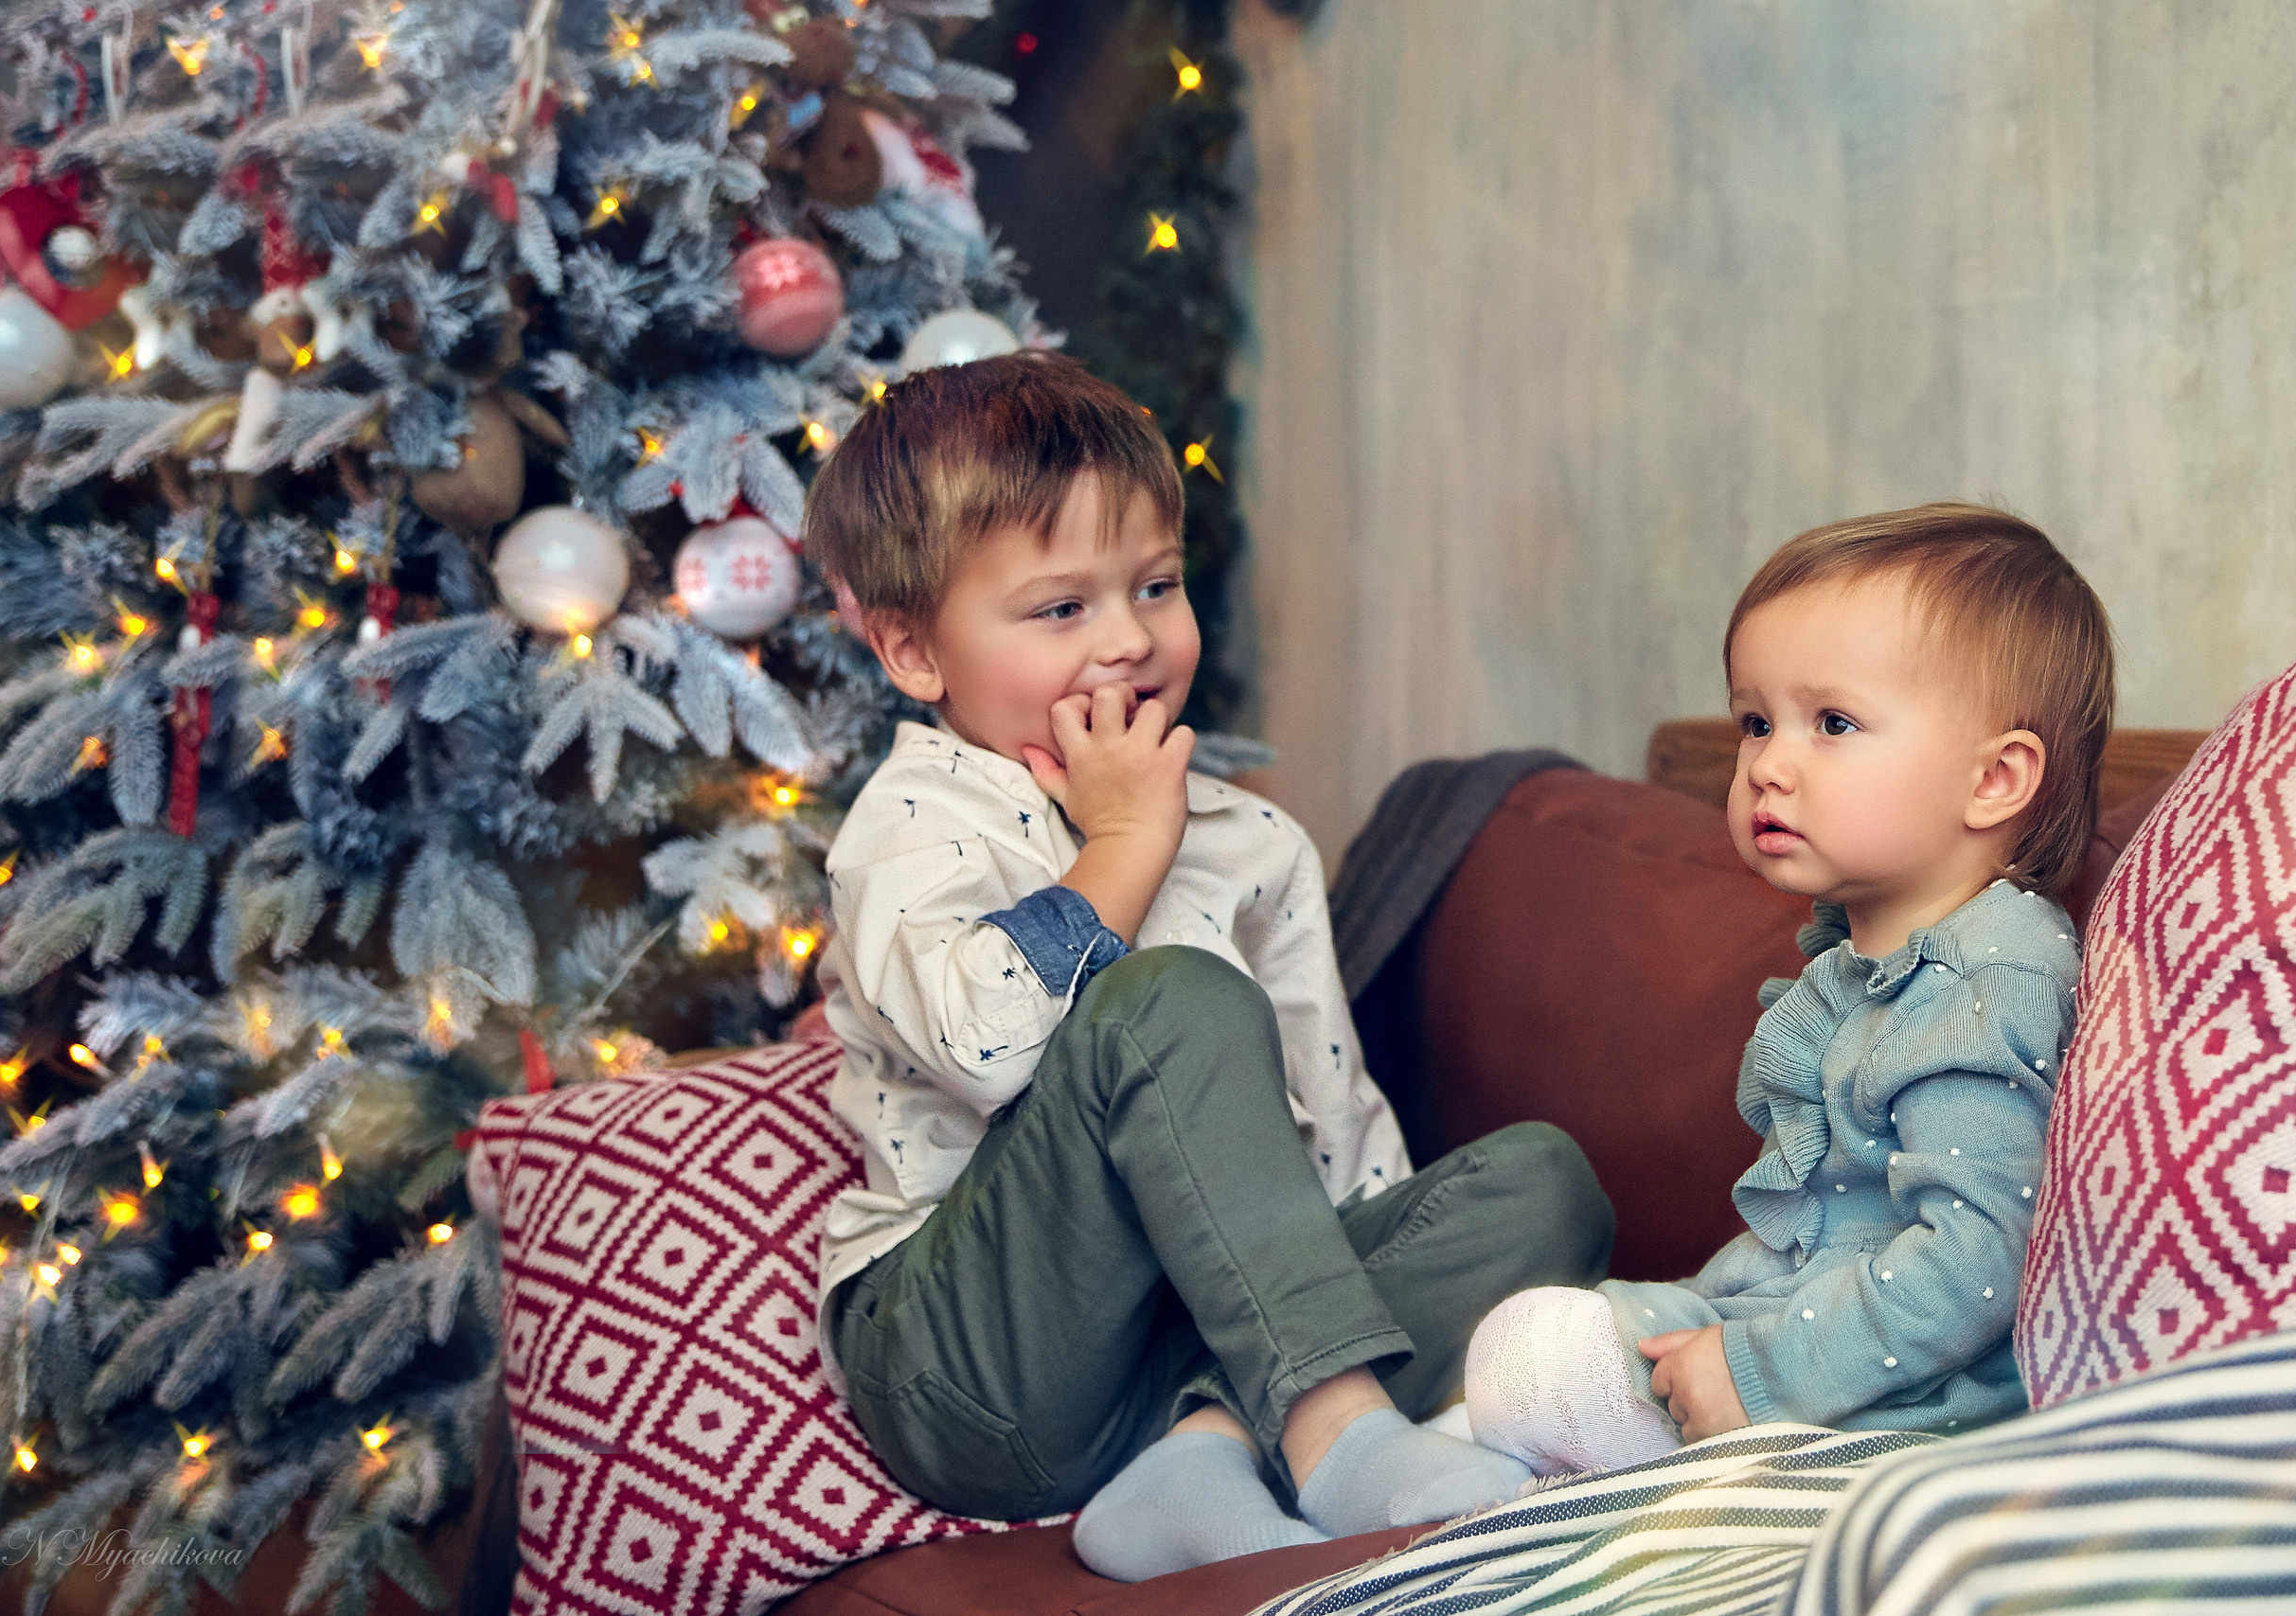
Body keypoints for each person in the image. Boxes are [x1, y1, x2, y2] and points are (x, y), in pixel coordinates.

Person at [802, 351, 1614, 1579]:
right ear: (915, 650)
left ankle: (1198, 1450)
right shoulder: (912, 827)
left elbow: (1329, 1117)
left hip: (1191, 1346)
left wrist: (1362, 1278)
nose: (1130, 639)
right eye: (1062, 607)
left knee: (1547, 1186)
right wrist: (1126, 843)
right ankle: (1336, 1433)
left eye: (1158, 586)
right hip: (978, 1363)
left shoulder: (1254, 840)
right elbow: (979, 1049)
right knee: (1169, 998)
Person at [1465, 504, 2114, 1475]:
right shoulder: (1862, 957)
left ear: (1994, 782)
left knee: (1531, 1360)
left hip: (1907, 1398)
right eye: (1755, 722)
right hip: (1781, 1321)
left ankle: (1506, 1467)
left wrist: (1757, 1370)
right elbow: (1816, 1236)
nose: (1767, 764)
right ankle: (1444, 1467)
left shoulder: (1988, 983)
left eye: (1833, 723)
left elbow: (1984, 1263)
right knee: (1528, 1340)